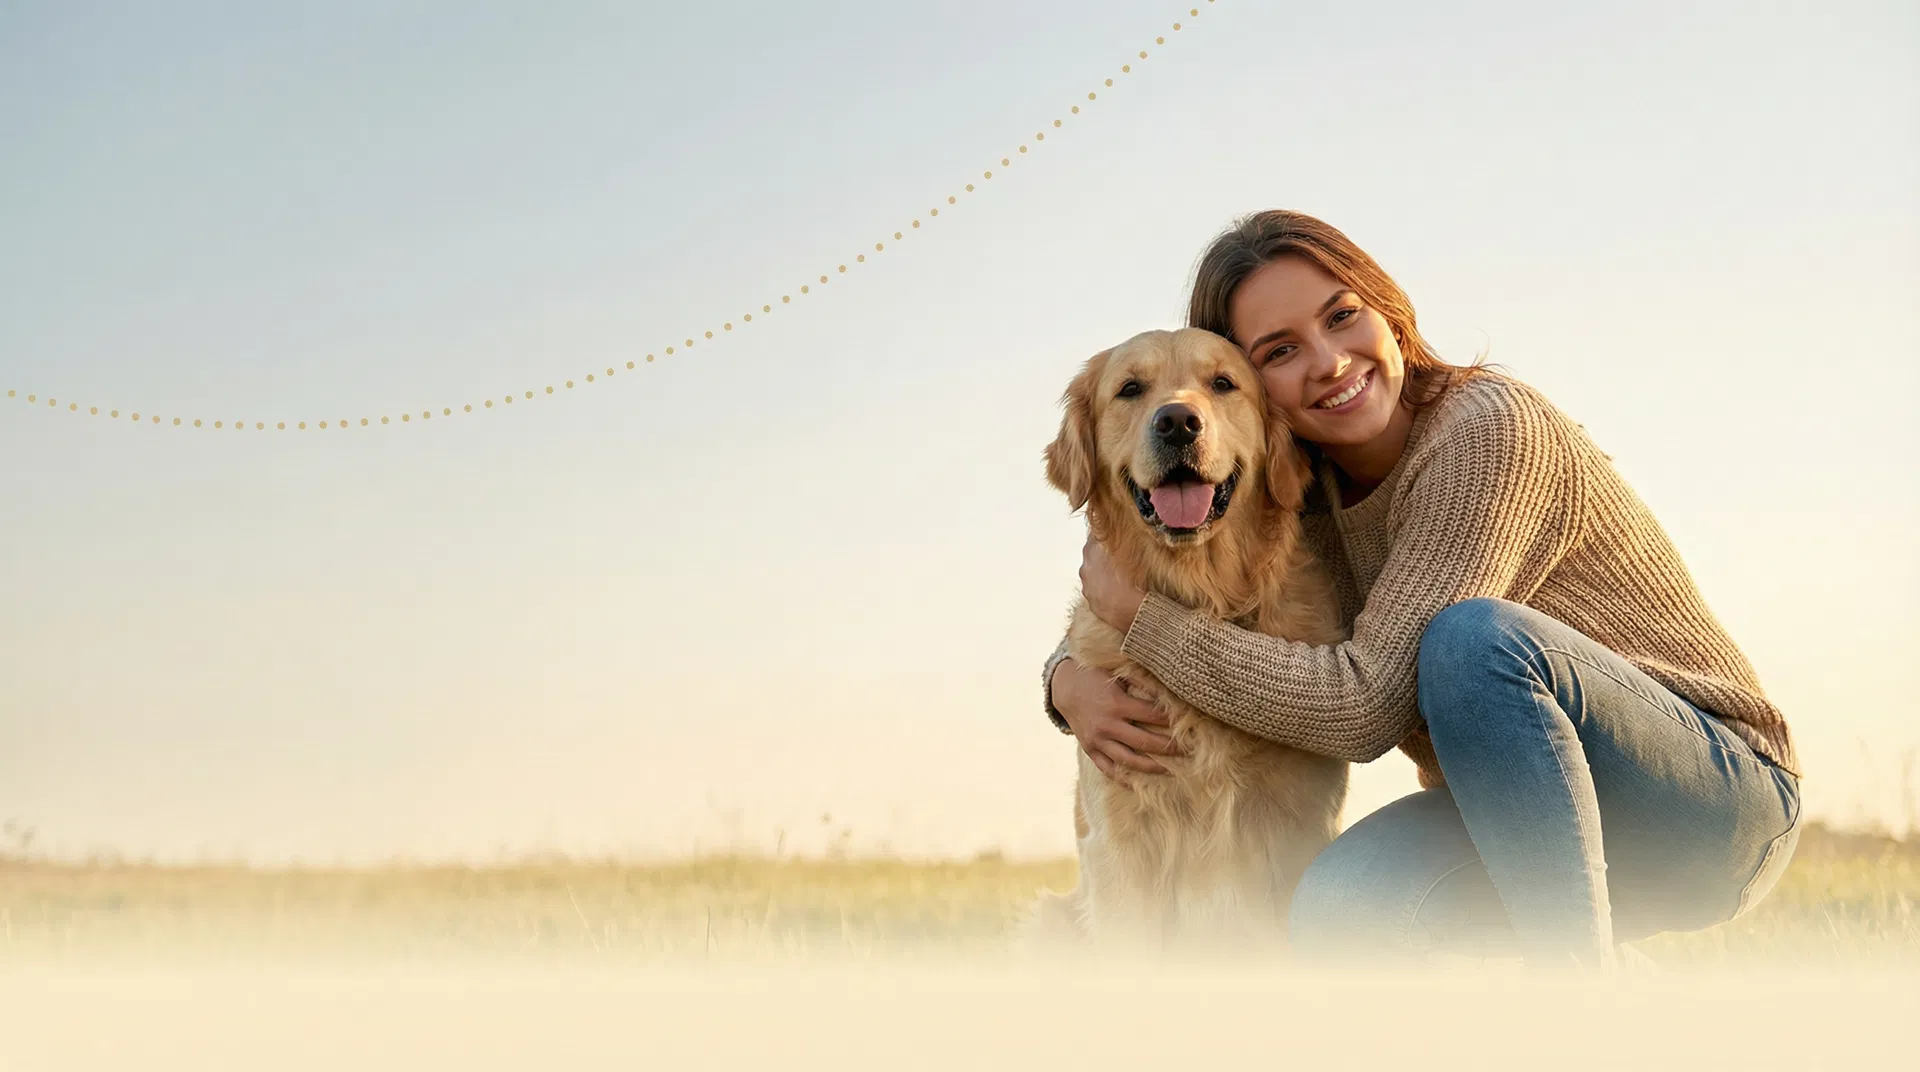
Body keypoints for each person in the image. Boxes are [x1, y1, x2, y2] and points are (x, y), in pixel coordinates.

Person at [1040, 210, 1801, 969]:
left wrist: (1139, 621)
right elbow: (1164, 598)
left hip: (1713, 805)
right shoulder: (1292, 491)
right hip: (1518, 822)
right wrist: (1065, 680)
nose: (1329, 361)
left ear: (1389, 310)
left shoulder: (1488, 434)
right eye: (1281, 350)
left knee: (1471, 641)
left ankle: (1578, 1005)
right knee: (1340, 906)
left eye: (1342, 316)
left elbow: (1367, 707)